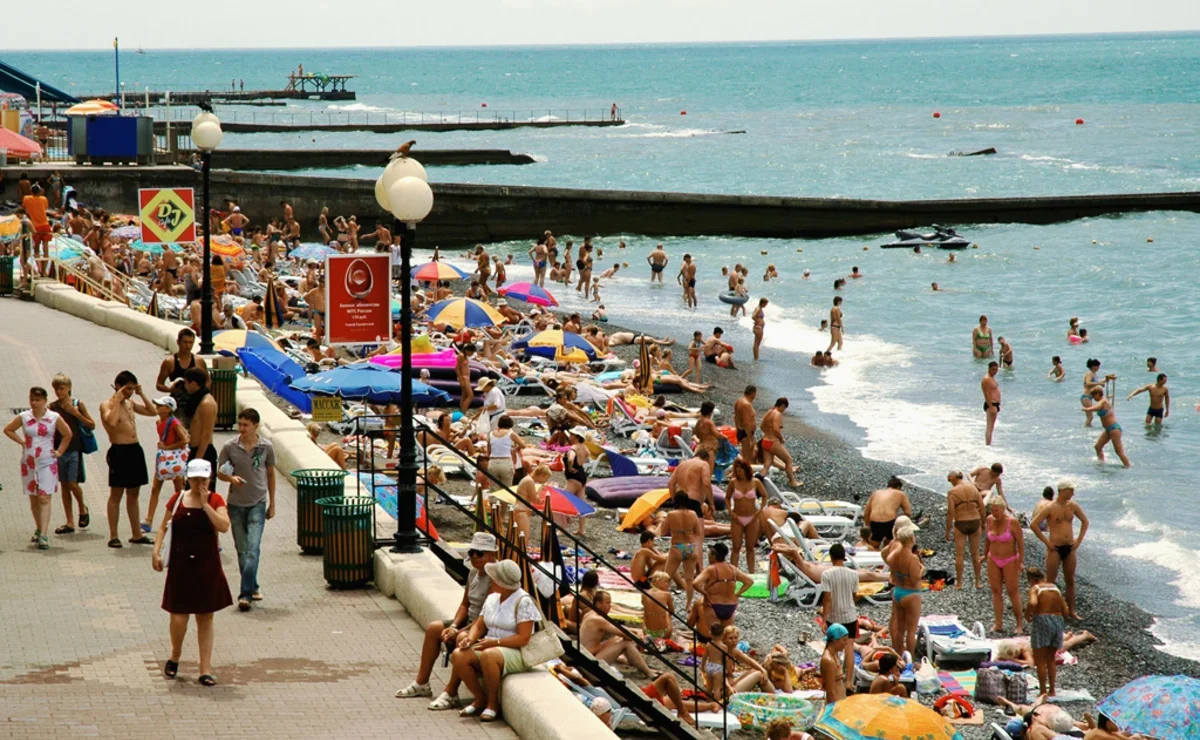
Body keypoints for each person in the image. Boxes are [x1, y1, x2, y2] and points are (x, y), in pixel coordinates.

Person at [152, 459, 232, 687]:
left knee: (205, 617)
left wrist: (206, 505)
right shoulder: (177, 499)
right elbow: (163, 527)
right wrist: (156, 551)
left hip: (206, 565)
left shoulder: (216, 500)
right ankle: (175, 654)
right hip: (181, 565)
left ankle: (205, 669)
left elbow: (224, 526)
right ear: (188, 479)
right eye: (195, 479)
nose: (199, 484)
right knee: (178, 617)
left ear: (210, 479)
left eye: (203, 479)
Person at [395, 532, 497, 709]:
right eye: (471, 552)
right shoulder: (473, 573)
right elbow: (464, 605)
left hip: (484, 627)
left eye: (479, 553)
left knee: (461, 638)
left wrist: (459, 631)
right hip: (469, 622)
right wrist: (455, 625)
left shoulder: (495, 577)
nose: (474, 557)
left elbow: (486, 616)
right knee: (434, 628)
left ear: (492, 554)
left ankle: (451, 691)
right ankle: (422, 682)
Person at [450, 560, 539, 721]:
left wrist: (496, 643)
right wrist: (470, 639)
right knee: (459, 655)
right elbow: (479, 625)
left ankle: (493, 703)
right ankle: (479, 698)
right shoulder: (492, 598)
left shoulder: (523, 601)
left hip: (515, 650)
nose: (490, 580)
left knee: (488, 655)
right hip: (491, 645)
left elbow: (523, 638)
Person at [216, 408, 276, 612]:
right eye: (240, 424)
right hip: (235, 504)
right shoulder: (230, 446)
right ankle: (253, 585)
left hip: (257, 503)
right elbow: (220, 472)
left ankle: (245, 595)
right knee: (242, 550)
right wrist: (230, 478)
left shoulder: (266, 447)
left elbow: (271, 474)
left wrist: (272, 503)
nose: (241, 428)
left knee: (252, 549)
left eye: (246, 425)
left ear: (255, 426)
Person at [5, 387, 72, 549]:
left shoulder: (53, 417)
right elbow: (8, 429)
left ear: (44, 401)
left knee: (44, 497)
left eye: (37, 400)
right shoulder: (24, 416)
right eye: (32, 399)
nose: (34, 403)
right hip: (29, 462)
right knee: (34, 497)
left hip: (47, 462)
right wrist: (22, 442)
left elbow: (67, 434)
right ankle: (38, 527)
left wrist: (59, 452)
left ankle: (44, 534)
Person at [100, 371, 157, 548]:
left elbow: (152, 411)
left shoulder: (130, 403)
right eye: (128, 389)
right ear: (118, 386)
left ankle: (136, 534)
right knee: (116, 494)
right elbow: (111, 421)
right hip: (119, 451)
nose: (130, 392)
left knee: (133, 494)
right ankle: (113, 535)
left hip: (134, 450)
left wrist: (142, 394)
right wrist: (117, 400)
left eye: (133, 389)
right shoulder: (107, 404)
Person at [1029, 480, 1087, 620]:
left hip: (1070, 547)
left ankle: (1071, 611)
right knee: (1050, 581)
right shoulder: (1050, 507)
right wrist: (1047, 542)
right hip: (1054, 548)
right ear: (1063, 491)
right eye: (1071, 491)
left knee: (1070, 580)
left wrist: (1078, 540)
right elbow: (1034, 525)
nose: (1073, 493)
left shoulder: (1072, 506)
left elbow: (1085, 522)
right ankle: (1047, 609)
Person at [48, 373, 94, 535]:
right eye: (56, 389)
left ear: (69, 388)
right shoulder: (52, 407)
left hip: (74, 449)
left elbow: (92, 424)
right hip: (59, 450)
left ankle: (82, 508)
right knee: (64, 485)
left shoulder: (77, 404)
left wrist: (76, 414)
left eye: (61, 388)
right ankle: (69, 521)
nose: (58, 392)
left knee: (73, 484)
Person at [581, 591, 656, 678]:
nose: (610, 606)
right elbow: (625, 634)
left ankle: (640, 664)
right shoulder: (597, 619)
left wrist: (634, 630)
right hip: (590, 660)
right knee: (626, 643)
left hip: (589, 652)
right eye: (607, 603)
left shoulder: (590, 613)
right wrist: (639, 638)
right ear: (598, 604)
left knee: (618, 638)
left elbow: (616, 627)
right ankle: (648, 672)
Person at [820, 543, 859, 693]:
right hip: (850, 615)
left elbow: (827, 598)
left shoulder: (827, 574)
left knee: (831, 648)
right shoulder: (853, 574)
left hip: (834, 615)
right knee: (849, 648)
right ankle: (848, 682)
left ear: (831, 557)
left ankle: (833, 677)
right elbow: (855, 595)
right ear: (843, 557)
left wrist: (824, 619)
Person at [982, 496, 1024, 634]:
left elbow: (1020, 543)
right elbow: (988, 539)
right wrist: (984, 554)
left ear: (1003, 509)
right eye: (992, 510)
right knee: (996, 591)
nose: (994, 513)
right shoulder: (989, 520)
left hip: (1010, 559)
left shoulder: (1012, 522)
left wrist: (1021, 561)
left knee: (1013, 591)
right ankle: (998, 623)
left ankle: (1019, 624)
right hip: (993, 558)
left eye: (997, 510)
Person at [147, 396, 189, 534]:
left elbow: (184, 440)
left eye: (160, 406)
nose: (157, 408)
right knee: (155, 488)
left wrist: (167, 447)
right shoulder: (159, 422)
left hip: (172, 459)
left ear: (168, 409)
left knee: (178, 490)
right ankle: (149, 519)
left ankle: (180, 516)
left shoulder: (174, 423)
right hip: (165, 460)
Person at [883, 516, 923, 655]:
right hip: (910, 593)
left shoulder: (895, 551)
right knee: (911, 631)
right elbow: (915, 579)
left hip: (898, 590)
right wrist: (922, 570)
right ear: (911, 538)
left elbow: (887, 557)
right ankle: (910, 659)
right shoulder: (912, 557)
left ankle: (898, 654)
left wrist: (894, 572)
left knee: (899, 628)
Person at [1026, 567, 1067, 698]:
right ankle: (1052, 690)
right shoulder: (1055, 588)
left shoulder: (1036, 588)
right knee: (1051, 658)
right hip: (1058, 620)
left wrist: (1028, 613)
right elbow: (1065, 610)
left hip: (1042, 620)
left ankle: (1043, 691)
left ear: (1032, 580)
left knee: (1040, 660)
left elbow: (1033, 602)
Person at [692, 542, 752, 629]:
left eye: (709, 555)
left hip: (713, 604)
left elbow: (695, 583)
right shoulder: (732, 569)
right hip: (731, 605)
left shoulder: (711, 569)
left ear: (714, 556)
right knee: (727, 633)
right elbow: (749, 582)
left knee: (715, 632)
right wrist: (737, 594)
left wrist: (705, 594)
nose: (708, 557)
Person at [944, 471, 985, 589]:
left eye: (949, 479)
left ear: (954, 478)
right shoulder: (973, 487)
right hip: (975, 521)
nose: (949, 481)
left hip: (961, 522)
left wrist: (948, 530)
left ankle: (959, 583)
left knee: (960, 555)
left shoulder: (952, 492)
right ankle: (978, 582)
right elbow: (981, 506)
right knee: (976, 553)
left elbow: (950, 512)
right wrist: (983, 522)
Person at [663, 493, 704, 608]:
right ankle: (688, 605)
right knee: (689, 579)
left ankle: (662, 602)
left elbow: (663, 531)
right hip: (691, 547)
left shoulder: (671, 514)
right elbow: (699, 532)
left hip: (677, 546)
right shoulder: (693, 514)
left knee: (666, 577)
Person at [726, 459, 766, 573]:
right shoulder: (733, 482)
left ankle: (752, 573)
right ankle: (733, 573)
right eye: (736, 471)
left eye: (740, 471)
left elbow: (765, 496)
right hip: (737, 517)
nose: (738, 473)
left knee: (750, 547)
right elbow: (727, 498)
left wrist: (760, 511)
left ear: (745, 470)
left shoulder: (755, 482)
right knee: (736, 547)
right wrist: (731, 512)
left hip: (752, 518)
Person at [183, 367, 218, 488]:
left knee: (203, 491)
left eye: (186, 383)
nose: (185, 387)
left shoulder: (206, 404)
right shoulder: (198, 399)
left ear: (193, 383)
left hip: (203, 452)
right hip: (195, 450)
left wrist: (197, 460)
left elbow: (206, 434)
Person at [1082, 387, 1131, 467]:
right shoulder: (1101, 402)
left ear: (1098, 394)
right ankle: (1101, 463)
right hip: (1108, 430)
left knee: (1118, 451)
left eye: (1094, 395)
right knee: (1098, 447)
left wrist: (1087, 409)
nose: (1093, 398)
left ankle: (1128, 466)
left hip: (1114, 429)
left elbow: (1098, 407)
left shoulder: (1103, 401)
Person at [759, 397, 800, 487]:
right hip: (773, 442)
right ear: (782, 405)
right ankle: (792, 482)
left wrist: (768, 433)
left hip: (765, 441)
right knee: (788, 460)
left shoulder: (769, 412)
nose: (783, 411)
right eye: (784, 408)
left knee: (767, 464)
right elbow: (775, 429)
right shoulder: (777, 414)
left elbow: (762, 426)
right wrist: (781, 438)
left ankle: (758, 480)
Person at [863, 476, 911, 547]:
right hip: (889, 522)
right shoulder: (900, 493)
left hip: (874, 522)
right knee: (889, 545)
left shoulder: (876, 493)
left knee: (873, 546)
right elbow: (908, 512)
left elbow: (866, 512)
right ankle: (887, 545)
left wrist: (867, 525)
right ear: (898, 487)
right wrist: (897, 521)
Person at [668, 449, 715, 517]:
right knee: (696, 523)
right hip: (693, 500)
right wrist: (712, 503)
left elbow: (671, 483)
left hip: (679, 499)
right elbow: (706, 483)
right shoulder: (704, 464)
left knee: (681, 523)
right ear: (706, 458)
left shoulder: (682, 464)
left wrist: (674, 500)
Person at [820, 623, 850, 705]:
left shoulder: (834, 654)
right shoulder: (828, 661)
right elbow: (831, 692)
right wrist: (836, 709)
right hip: (835, 704)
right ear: (835, 640)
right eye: (844, 640)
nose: (846, 643)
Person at [733, 385, 758, 462]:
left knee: (747, 455)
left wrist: (738, 429)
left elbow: (735, 417)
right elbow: (746, 423)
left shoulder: (739, 401)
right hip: (746, 433)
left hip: (742, 431)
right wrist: (751, 439)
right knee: (747, 459)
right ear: (753, 393)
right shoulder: (746, 404)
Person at [1080, 359, 1108, 426]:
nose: (1098, 368)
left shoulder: (1094, 374)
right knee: (1090, 417)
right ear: (1093, 366)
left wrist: (1106, 380)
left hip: (1089, 397)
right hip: (1086, 397)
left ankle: (1087, 428)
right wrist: (1099, 384)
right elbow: (1088, 383)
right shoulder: (1089, 373)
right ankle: (1086, 428)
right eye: (1097, 366)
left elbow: (1096, 382)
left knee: (1090, 417)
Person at [982, 361, 1001, 445]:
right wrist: (991, 407)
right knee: (989, 427)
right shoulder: (986, 379)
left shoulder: (992, 378)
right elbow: (986, 394)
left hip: (995, 404)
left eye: (996, 369)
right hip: (991, 404)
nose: (995, 371)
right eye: (993, 369)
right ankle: (987, 445)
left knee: (992, 427)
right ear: (989, 369)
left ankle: (989, 444)